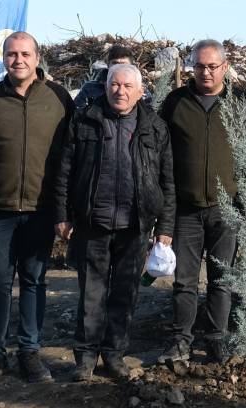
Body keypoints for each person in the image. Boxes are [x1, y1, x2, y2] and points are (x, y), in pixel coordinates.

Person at [54, 63, 175, 381]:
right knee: (90, 293)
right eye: (114, 85)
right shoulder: (84, 120)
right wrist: (62, 215)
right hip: (93, 222)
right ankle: (85, 357)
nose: (119, 91)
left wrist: (165, 227)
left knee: (125, 293)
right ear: (106, 87)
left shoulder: (154, 127)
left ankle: (115, 355)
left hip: (135, 226)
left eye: (126, 86)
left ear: (140, 92)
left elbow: (167, 181)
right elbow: (64, 171)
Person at [0, 31, 73, 385]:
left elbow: (71, 156)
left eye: (25, 54)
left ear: (38, 57)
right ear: (3, 59)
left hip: (41, 210)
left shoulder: (58, 99)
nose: (18, 60)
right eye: (11, 55)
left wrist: (65, 208)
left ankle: (30, 352)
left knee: (34, 281)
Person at [155, 39, 246, 365]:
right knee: (184, 281)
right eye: (199, 66)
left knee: (221, 279)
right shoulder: (175, 102)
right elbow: (158, 148)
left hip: (225, 210)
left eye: (213, 66)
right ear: (191, 68)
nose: (206, 72)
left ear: (225, 67)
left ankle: (216, 341)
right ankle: (180, 342)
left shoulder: (240, 102)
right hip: (185, 209)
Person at [73, 45, 151, 109]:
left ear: (131, 66)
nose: (119, 67)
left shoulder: (140, 90)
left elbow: (148, 115)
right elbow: (77, 112)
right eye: (115, 63)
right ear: (108, 65)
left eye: (123, 64)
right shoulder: (90, 88)